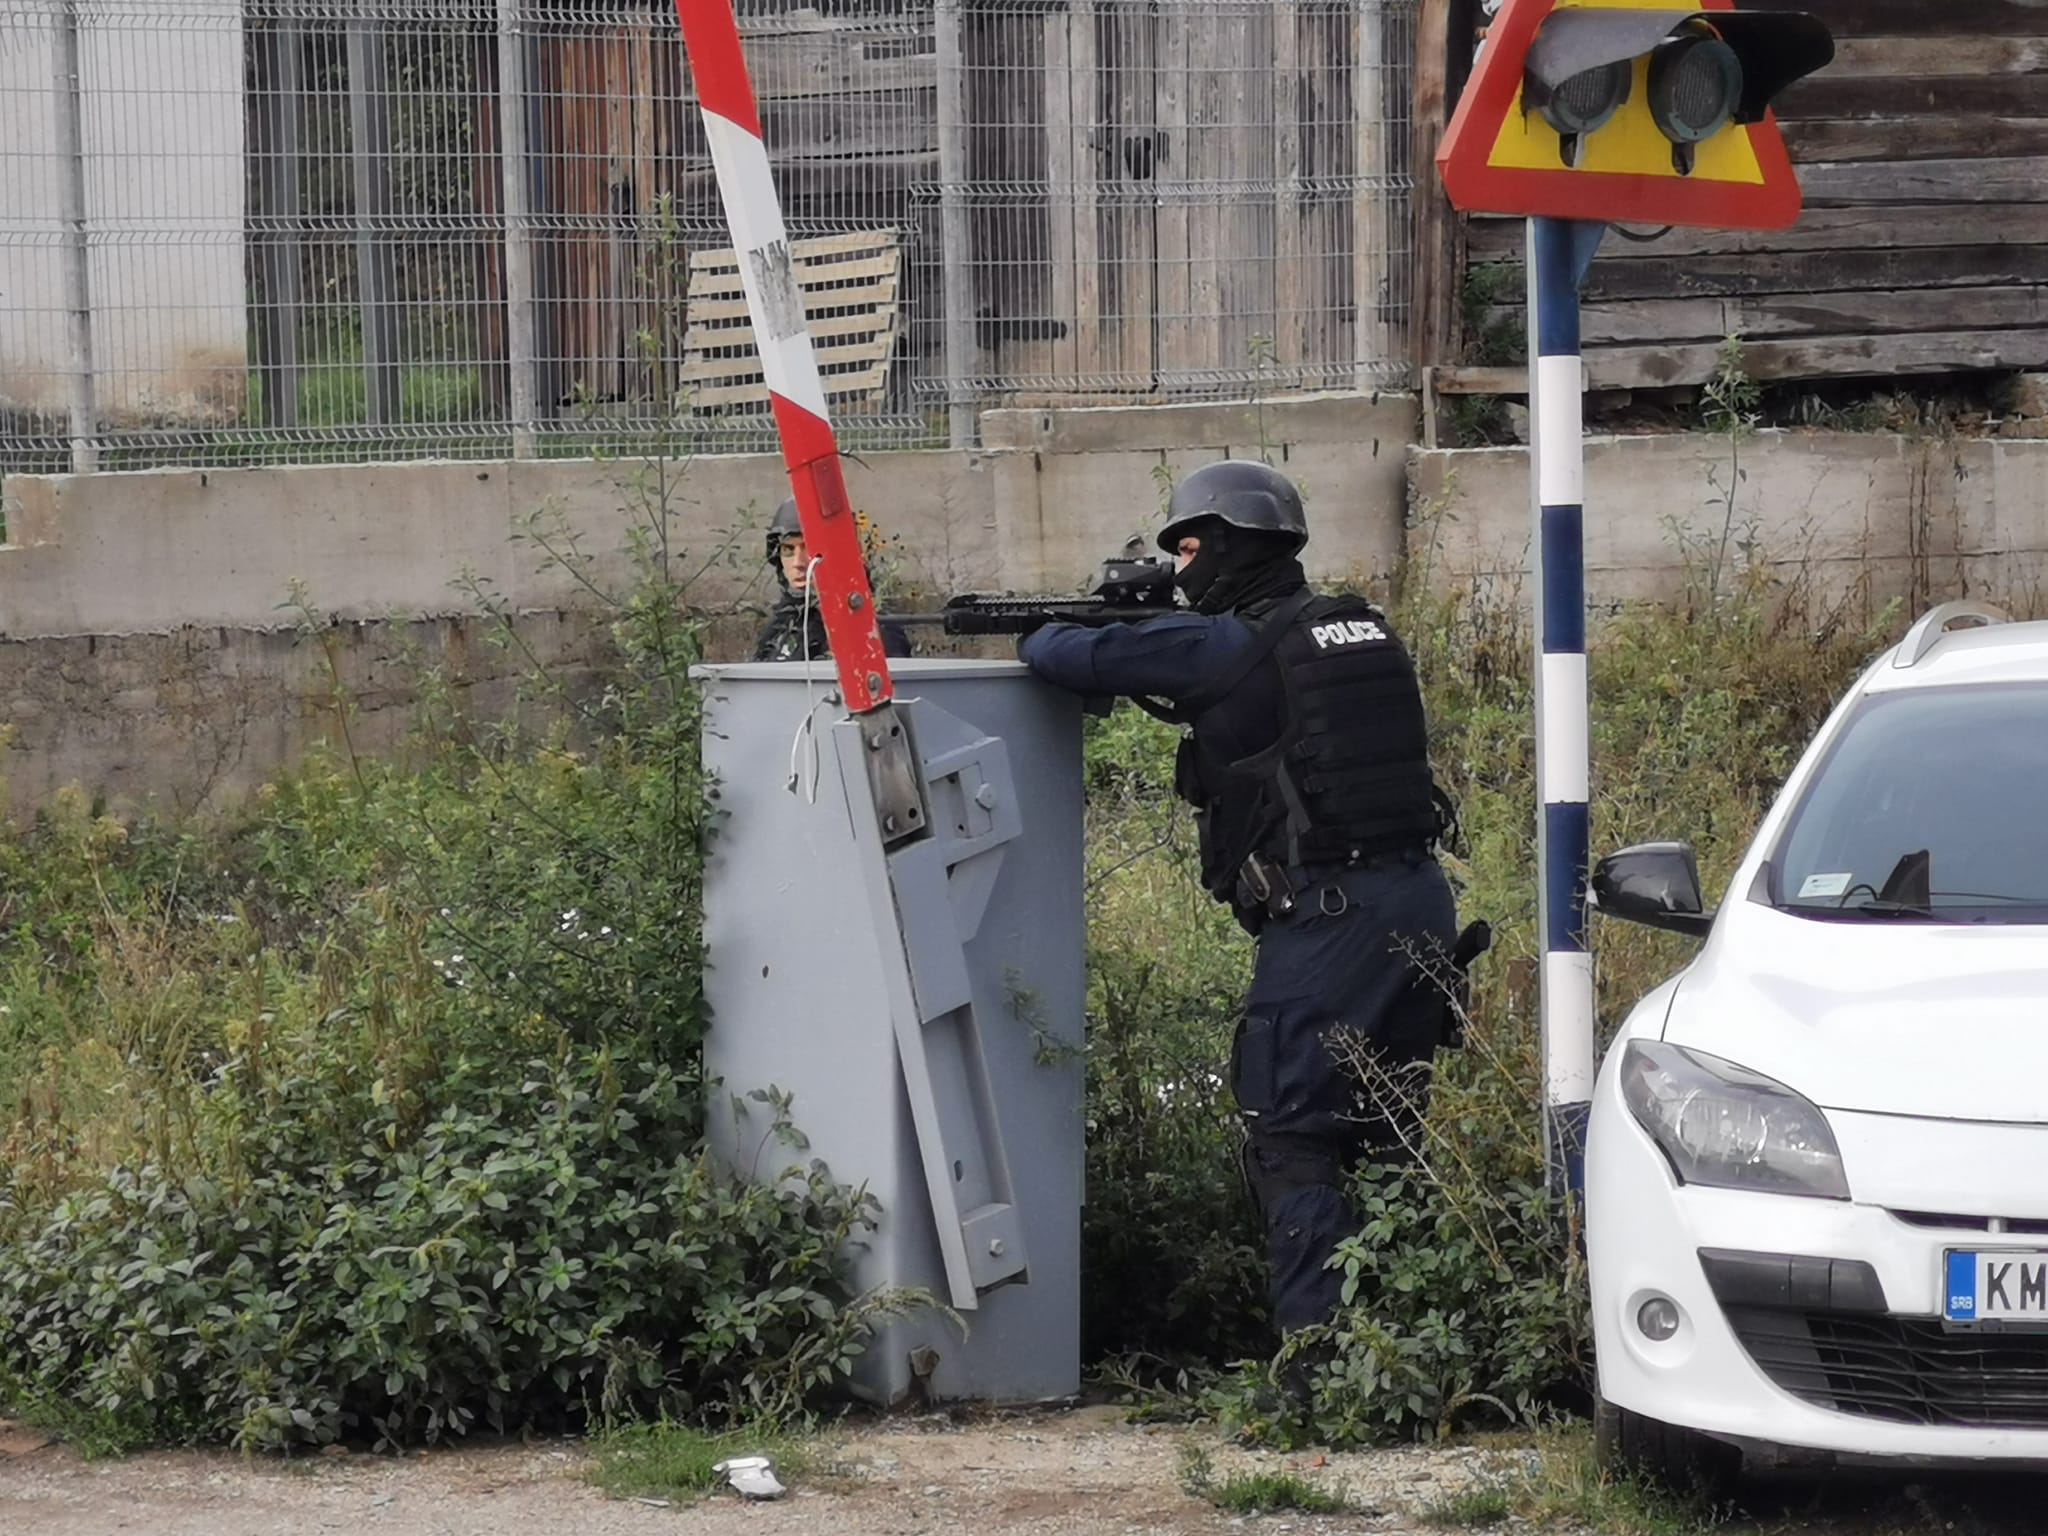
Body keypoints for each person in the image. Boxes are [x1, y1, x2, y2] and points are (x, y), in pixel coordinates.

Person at [1018, 459, 1464, 1342]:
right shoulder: (1361, 629)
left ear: (1227, 547)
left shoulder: (1228, 645)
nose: (1180, 569)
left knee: (1293, 1134)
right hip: (1419, 903)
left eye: (1187, 550)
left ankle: (1318, 1364)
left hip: (1330, 921)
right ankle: (1411, 1346)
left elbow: (1065, 654)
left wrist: (1062, 623)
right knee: (1391, 1127)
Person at [751, 497, 913, 663]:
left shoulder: (870, 628)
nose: (798, 563)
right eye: (788, 549)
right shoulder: (780, 625)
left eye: (809, 548)